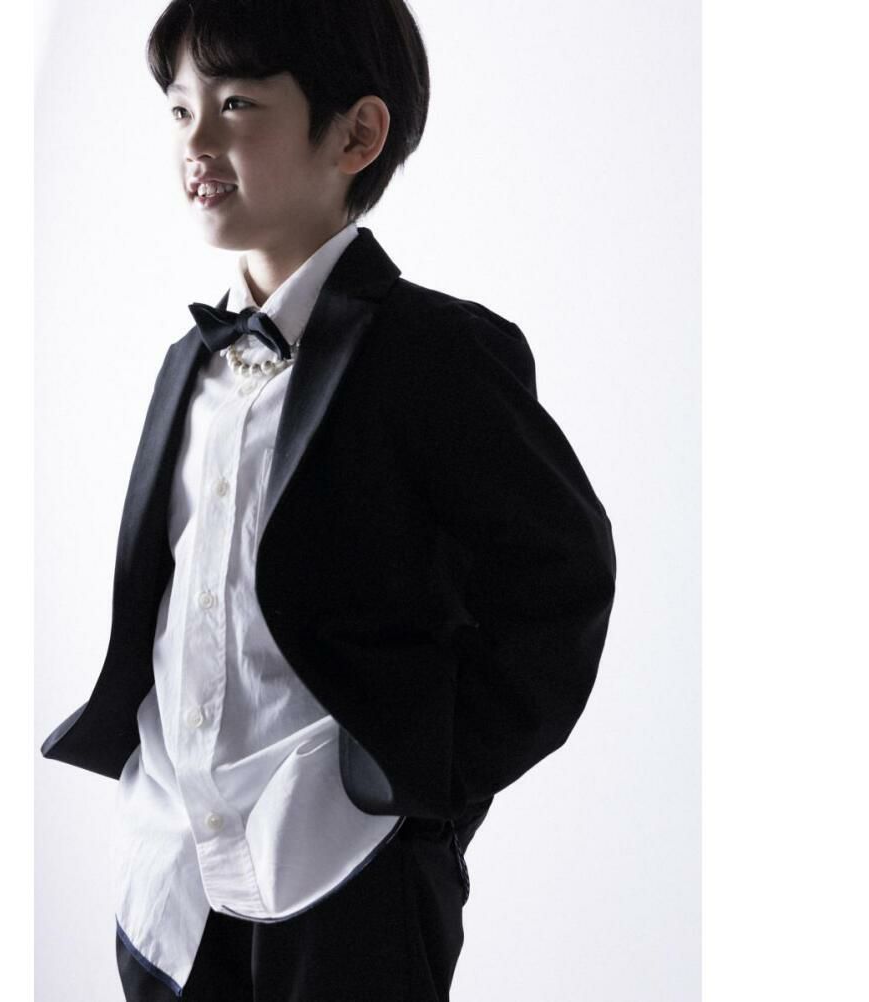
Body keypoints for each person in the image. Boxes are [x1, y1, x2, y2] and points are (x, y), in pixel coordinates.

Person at [40, 1, 618, 999]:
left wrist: (422, 783)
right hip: (169, 884)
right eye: (178, 109)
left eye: (235, 104)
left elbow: (560, 583)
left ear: (356, 134)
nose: (197, 141)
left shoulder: (436, 353)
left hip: (344, 873)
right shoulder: (186, 364)